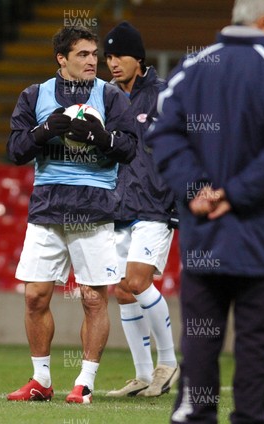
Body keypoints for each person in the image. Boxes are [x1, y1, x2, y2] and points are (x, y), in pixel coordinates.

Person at [146, 0, 264, 422]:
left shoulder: (192, 67)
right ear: (263, 23)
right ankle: (251, 417)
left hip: (204, 239)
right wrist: (234, 194)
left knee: (200, 340)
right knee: (257, 344)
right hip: (263, 237)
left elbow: (161, 131)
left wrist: (197, 189)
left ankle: (194, 414)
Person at [6, 25, 137, 404]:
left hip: (94, 207)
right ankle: (41, 380)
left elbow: (129, 148)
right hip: (47, 206)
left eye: (94, 54)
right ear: (61, 59)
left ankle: (85, 382)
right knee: (34, 296)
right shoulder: (35, 95)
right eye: (82, 54)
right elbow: (15, 150)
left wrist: (100, 137)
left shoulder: (110, 97)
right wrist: (44, 130)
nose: (92, 60)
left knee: (93, 299)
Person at [101, 21, 179, 398]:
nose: (114, 63)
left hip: (156, 204)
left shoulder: (164, 96)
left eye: (120, 56)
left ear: (139, 58)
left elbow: (186, 150)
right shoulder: (109, 98)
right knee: (123, 292)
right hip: (121, 205)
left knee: (136, 281)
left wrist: (180, 201)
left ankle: (169, 361)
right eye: (109, 57)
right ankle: (144, 375)